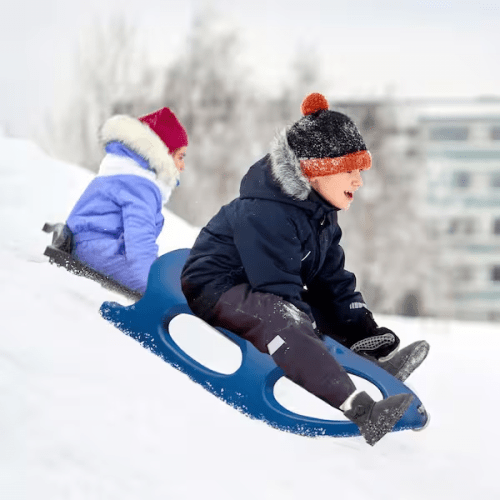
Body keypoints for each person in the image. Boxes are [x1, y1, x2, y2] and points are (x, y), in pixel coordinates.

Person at [180, 93, 429, 446]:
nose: (358, 181)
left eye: (360, 171)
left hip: (262, 285)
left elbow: (332, 280)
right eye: (350, 170)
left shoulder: (320, 214)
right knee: (286, 319)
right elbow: (277, 291)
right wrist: (304, 331)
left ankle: (373, 363)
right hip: (217, 288)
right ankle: (360, 409)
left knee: (318, 304)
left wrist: (361, 329)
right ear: (315, 171)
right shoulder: (266, 213)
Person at [66, 107, 188, 295]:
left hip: (90, 246)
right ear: (164, 153)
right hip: (101, 253)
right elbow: (139, 240)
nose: (182, 166)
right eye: (180, 157)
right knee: (170, 290)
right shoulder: (141, 185)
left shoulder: (123, 173)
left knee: (169, 278)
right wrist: (155, 287)